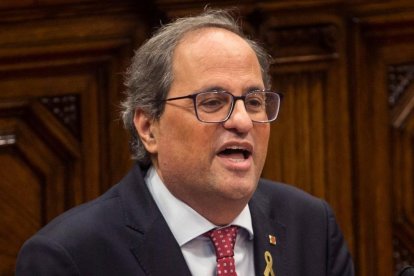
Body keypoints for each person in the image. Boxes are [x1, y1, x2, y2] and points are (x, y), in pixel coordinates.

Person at [16, 9, 354, 276]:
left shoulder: (310, 226)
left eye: (254, 101)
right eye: (212, 102)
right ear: (149, 127)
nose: (241, 121)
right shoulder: (69, 257)